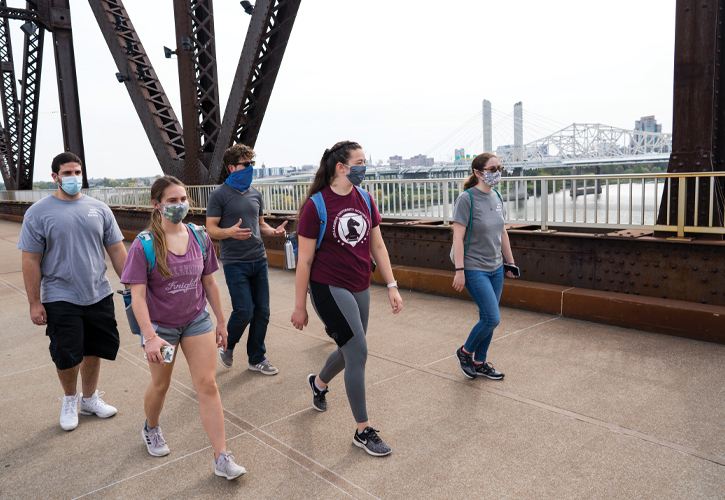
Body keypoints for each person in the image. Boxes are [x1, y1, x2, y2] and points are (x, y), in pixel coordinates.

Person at [120, 176, 245, 480]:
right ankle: (151, 428)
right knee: (161, 386)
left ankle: (222, 457)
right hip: (161, 329)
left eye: (183, 199)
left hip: (196, 321)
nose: (179, 205)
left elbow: (210, 282)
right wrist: (150, 337)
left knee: (208, 385)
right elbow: (136, 296)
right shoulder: (144, 245)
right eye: (172, 201)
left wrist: (221, 319)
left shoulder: (199, 237)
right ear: (157, 205)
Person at [291, 140, 403, 457]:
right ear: (341, 167)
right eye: (360, 162)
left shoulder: (366, 200)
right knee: (359, 352)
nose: (364, 167)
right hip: (328, 286)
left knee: (350, 348)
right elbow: (305, 261)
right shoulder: (316, 206)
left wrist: (392, 285)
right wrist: (300, 306)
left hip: (359, 284)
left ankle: (319, 383)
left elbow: (377, 247)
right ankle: (363, 430)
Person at [17, 152, 127, 431]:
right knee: (66, 353)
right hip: (59, 294)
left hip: (97, 292)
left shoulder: (100, 209)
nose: (73, 178)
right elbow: (30, 259)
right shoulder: (38, 212)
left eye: (77, 172)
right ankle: (69, 400)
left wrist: (132, 284)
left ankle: (89, 399)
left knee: (93, 349)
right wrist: (34, 302)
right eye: (67, 173)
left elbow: (116, 249)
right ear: (55, 177)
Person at [206, 144, 286, 375]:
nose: (250, 168)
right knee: (244, 310)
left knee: (263, 311)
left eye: (251, 163)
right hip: (235, 262)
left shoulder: (255, 193)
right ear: (232, 168)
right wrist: (229, 232)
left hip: (258, 259)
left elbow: (260, 225)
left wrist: (274, 231)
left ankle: (257, 358)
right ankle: (228, 347)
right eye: (245, 164)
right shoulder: (219, 194)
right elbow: (211, 229)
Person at [451, 153, 517, 380]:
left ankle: (479, 362)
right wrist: (460, 271)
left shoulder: (497, 196)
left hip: (496, 267)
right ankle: (464, 352)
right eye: (492, 169)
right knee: (492, 318)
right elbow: (457, 238)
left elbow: (502, 232)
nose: (497, 172)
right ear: (478, 173)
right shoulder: (466, 199)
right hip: (473, 267)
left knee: (488, 316)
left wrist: (510, 262)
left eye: (499, 167)